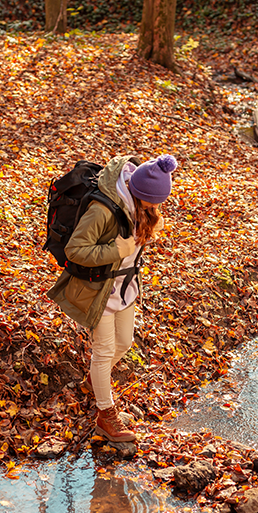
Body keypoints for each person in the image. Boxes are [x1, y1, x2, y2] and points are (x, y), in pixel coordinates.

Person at [47, 154, 176, 442]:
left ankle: (96, 382)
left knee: (124, 343)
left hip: (124, 287)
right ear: (138, 193)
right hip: (99, 289)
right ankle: (105, 416)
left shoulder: (140, 206)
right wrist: (116, 250)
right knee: (104, 351)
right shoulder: (102, 210)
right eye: (154, 201)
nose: (157, 207)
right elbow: (75, 251)